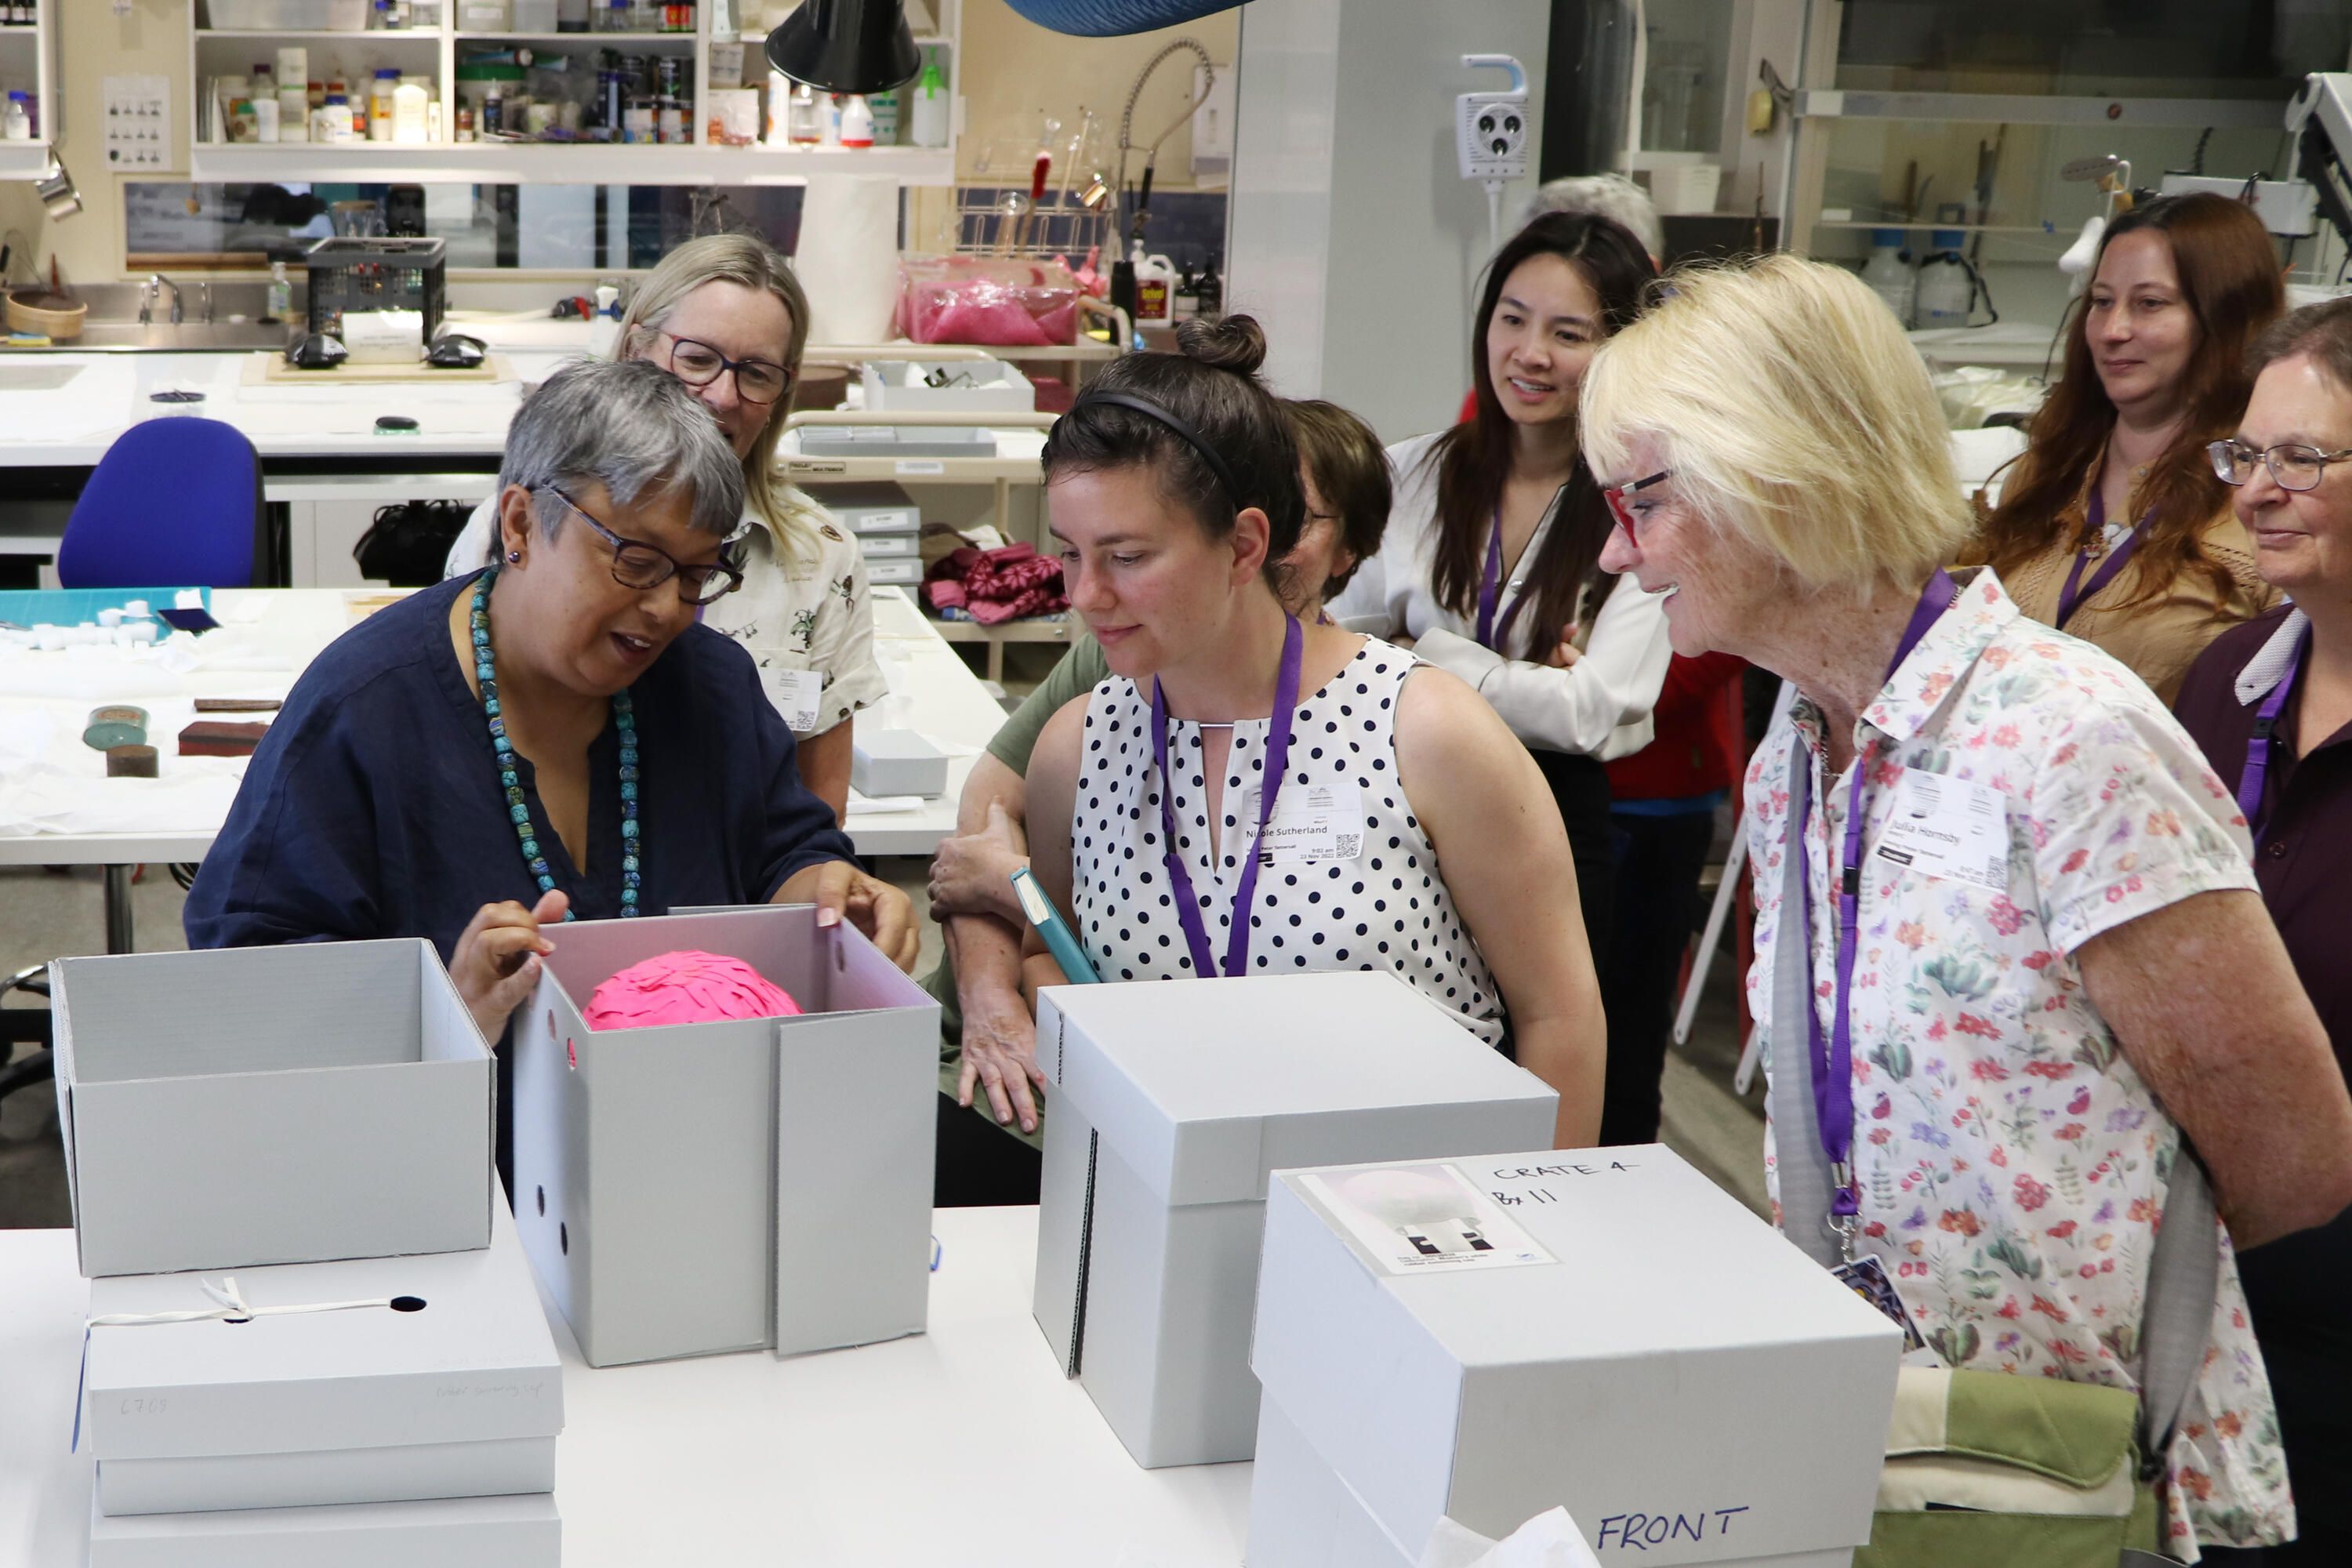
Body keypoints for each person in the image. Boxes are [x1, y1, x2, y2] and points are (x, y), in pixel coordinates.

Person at [1580, 254, 2352, 1557]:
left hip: (2093, 1485)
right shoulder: (1799, 751)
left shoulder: (2067, 740)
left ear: (1775, 472)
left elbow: (2294, 1156)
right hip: (1900, 1449)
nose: (1616, 547)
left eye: (1641, 498)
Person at [190, 359, 919, 1192]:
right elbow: (248, 975)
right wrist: (448, 1009)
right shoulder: (364, 711)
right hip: (433, 1181)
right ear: (521, 524)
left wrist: (831, 895)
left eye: (694, 577)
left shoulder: (706, 684)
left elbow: (781, 850)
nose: (663, 611)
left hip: (684, 1162)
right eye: (637, 561)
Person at [1023, 317, 1606, 1149]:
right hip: (1182, 1209)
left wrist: (1541, 1219)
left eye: (1125, 556)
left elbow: (1560, 1014)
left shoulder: (1425, 730)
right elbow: (1050, 950)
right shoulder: (1079, 750)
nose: (1084, 593)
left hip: (1419, 1225)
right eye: (1070, 554)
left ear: (1246, 544)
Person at [924, 398, 1395, 1197]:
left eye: (1303, 518)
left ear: (1349, 547)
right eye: (1073, 554)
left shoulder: (1395, 715)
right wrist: (991, 986)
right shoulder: (1110, 687)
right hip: (1088, 1105)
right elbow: (987, 837)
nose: (1089, 592)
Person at [1332, 212, 1672, 975]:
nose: (1530, 354)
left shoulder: (1647, 501)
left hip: (1557, 816)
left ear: (1622, 350)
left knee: (1556, 1060)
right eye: (1512, 319)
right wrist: (1531, 686)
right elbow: (1339, 646)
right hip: (1406, 806)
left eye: (1569, 333)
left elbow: (1592, 713)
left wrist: (1426, 656)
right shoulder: (1410, 473)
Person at [446, 234, 883, 821]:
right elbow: (456, 751)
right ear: (634, 348)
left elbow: (816, 813)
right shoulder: (523, 527)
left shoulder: (820, 559)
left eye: (757, 373)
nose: (722, 397)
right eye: (698, 359)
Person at [2175, 296, 2352, 1563]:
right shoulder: (2221, 685)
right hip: (2211, 1260)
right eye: (2247, 456)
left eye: (2305, 458)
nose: (2259, 492)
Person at [1973, 192, 2284, 702]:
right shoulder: (2043, 474)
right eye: (2101, 301)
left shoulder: (2263, 497)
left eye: (2149, 304)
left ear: (2226, 319)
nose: (2113, 331)